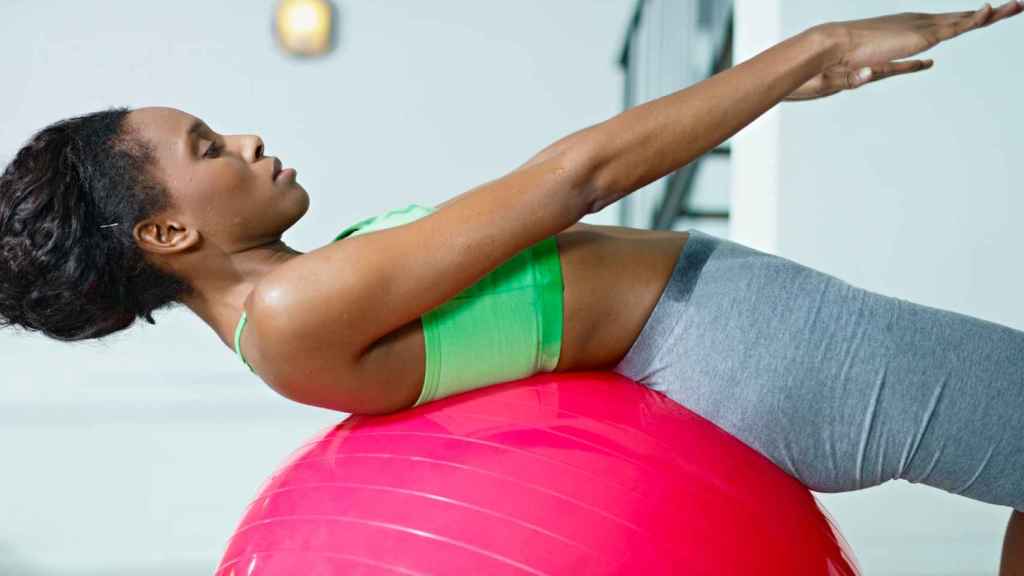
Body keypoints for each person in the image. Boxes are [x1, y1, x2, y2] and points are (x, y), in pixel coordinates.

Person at [1, 1, 1021, 572]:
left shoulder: (301, 299)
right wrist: (813, 50)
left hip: (728, 336)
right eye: (209, 146)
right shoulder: (292, 313)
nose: (249, 141)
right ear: (169, 229)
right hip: (746, 346)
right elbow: (572, 177)